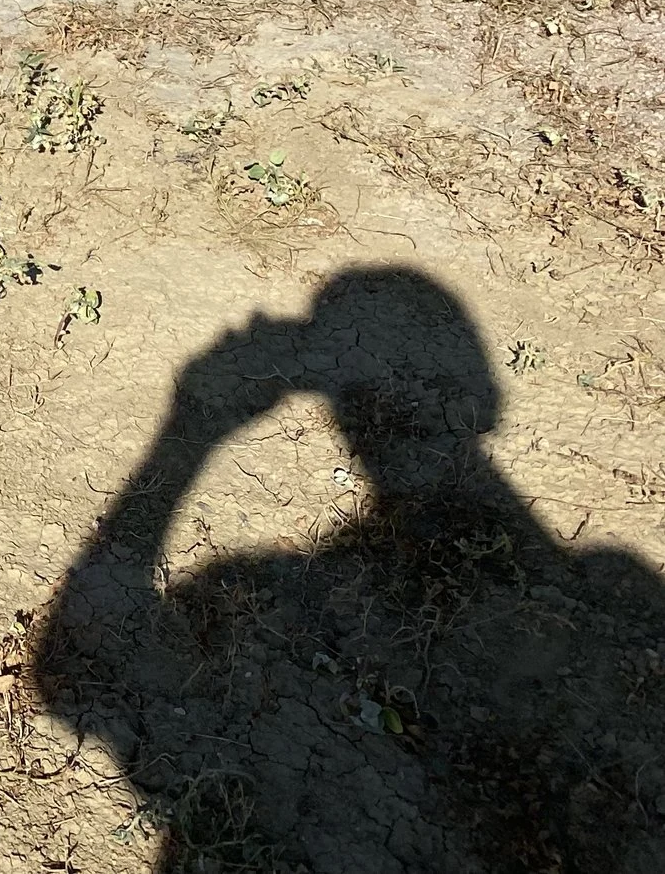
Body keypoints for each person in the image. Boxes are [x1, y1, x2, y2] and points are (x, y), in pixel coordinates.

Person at [33, 267, 665, 872]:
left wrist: (189, 432)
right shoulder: (622, 587)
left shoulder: (255, 584)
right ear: (485, 400)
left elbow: (67, 667)